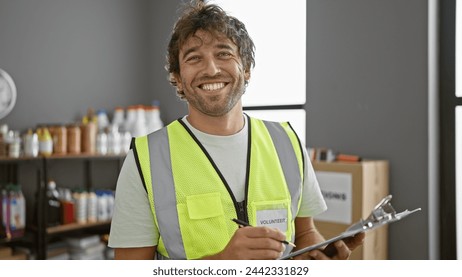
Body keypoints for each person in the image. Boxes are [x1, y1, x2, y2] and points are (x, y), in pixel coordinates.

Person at [108, 0, 364, 260]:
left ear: (247, 69)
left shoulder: (286, 142)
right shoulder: (145, 159)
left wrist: (317, 254)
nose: (211, 69)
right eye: (194, 58)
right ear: (178, 78)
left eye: (224, 54)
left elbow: (305, 232)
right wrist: (224, 263)